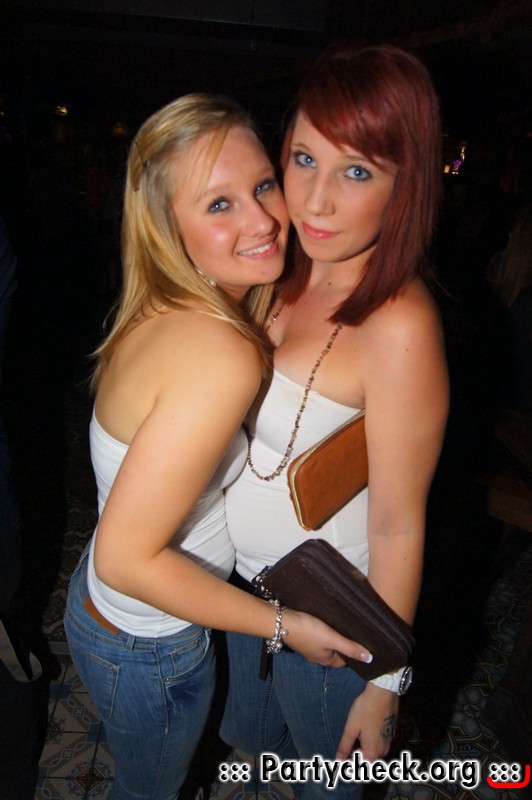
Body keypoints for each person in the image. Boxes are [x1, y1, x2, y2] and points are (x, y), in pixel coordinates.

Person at [63, 93, 371, 800]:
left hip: (106, 615)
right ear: (169, 229)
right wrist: (285, 626)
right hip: (148, 641)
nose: (262, 220)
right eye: (219, 204)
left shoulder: (166, 304)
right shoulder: (218, 353)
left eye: (263, 185)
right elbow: (125, 558)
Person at [220, 43, 450, 797]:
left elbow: (398, 524)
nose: (315, 201)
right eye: (304, 159)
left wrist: (385, 682)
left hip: (330, 627)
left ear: (404, 185)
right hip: (243, 598)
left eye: (356, 172)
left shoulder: (399, 325)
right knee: (255, 752)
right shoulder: (273, 267)